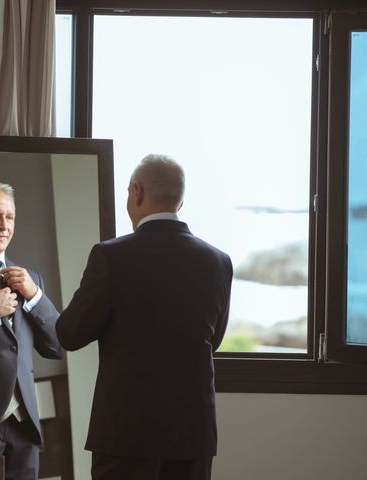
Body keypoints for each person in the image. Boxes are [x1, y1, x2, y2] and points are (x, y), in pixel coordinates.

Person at [56, 154, 232, 480]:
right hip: (192, 435)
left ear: (136, 191)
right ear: (180, 200)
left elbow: (70, 334)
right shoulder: (218, 261)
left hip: (127, 435)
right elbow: (214, 340)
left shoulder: (111, 256)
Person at [0, 181, 64, 480]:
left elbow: (56, 345)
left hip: (24, 423)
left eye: (10, 217)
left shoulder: (31, 278)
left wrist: (35, 295)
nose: (3, 225)